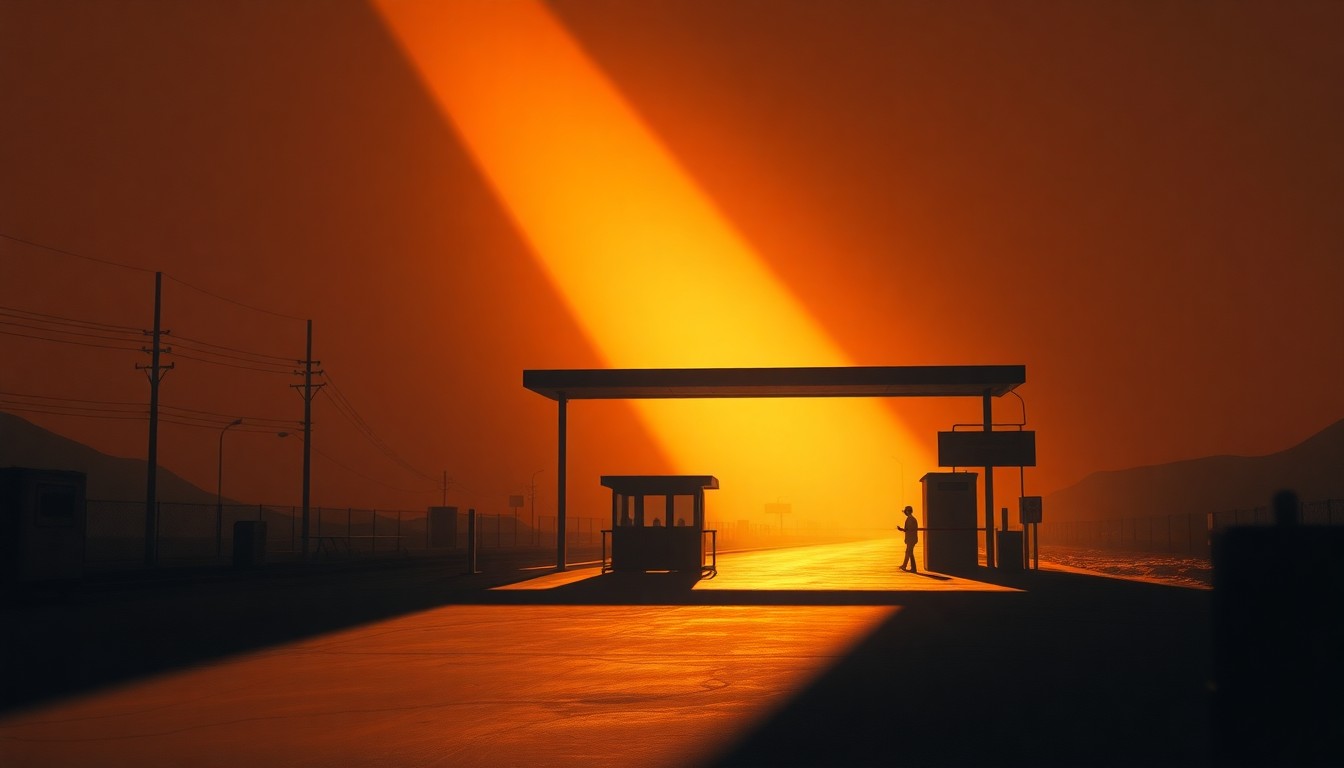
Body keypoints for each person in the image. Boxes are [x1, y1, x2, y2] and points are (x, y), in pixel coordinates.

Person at [898, 505, 919, 573]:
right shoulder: (912, 519)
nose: (905, 513)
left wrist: (901, 529)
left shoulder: (910, 519)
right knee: (909, 552)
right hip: (912, 539)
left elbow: (908, 529)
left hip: (911, 539)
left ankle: (910, 567)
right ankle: (908, 566)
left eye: (905, 511)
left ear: (907, 511)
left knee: (909, 552)